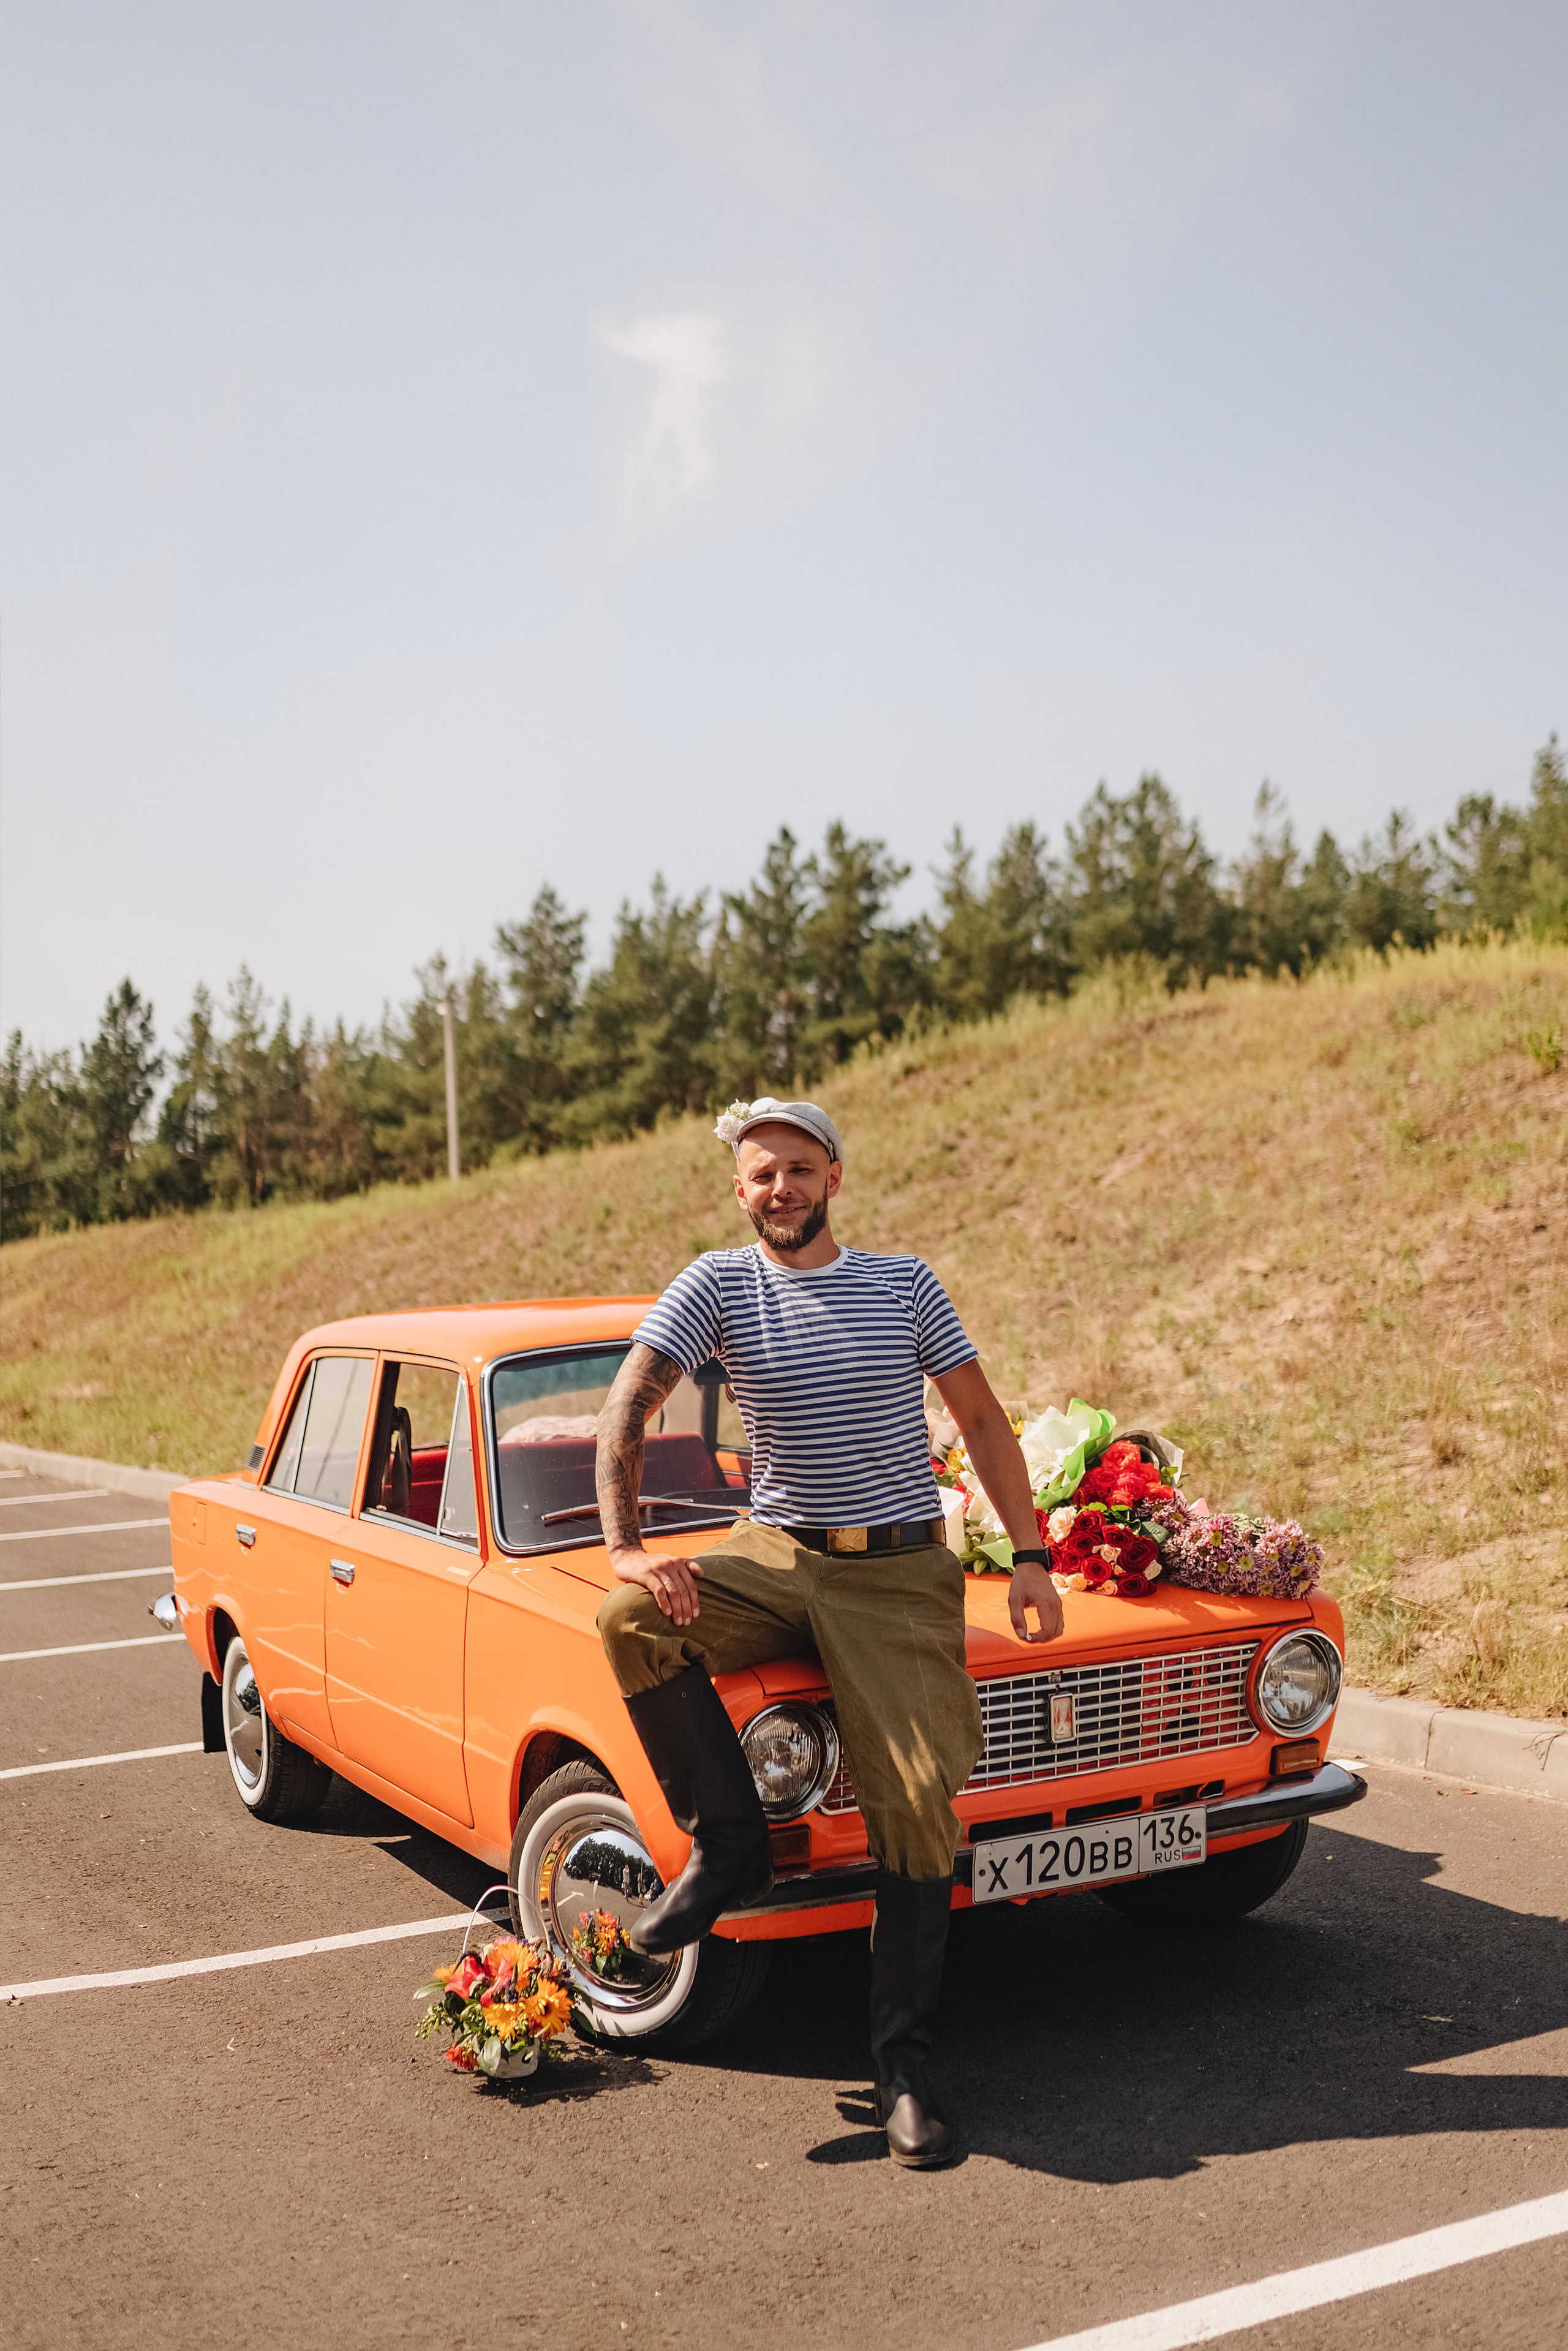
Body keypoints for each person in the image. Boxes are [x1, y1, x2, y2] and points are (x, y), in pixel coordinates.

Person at [595, 1096, 1061, 2168]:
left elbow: (982, 1421)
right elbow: (631, 1397)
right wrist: (627, 1545)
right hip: (773, 1552)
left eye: (799, 1169)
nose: (781, 1189)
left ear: (835, 1176)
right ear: (739, 1188)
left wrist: (1031, 1553)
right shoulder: (717, 1283)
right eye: (761, 1174)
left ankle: (902, 2068)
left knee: (914, 1803)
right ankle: (731, 1842)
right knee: (631, 1620)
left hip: (896, 1569)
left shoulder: (903, 1283)